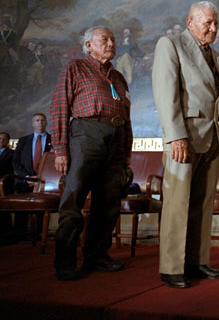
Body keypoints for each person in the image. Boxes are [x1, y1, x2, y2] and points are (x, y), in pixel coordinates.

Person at [152, 1, 219, 289]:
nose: (213, 27)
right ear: (190, 22)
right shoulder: (170, 45)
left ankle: (196, 262)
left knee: (202, 203)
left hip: (209, 137)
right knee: (177, 204)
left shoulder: (212, 54)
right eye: (208, 22)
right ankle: (172, 267)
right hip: (184, 137)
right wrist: (175, 135)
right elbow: (165, 91)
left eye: (216, 22)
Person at [50, 26, 132, 281]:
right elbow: (60, 108)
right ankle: (65, 261)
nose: (111, 43)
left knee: (108, 203)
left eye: (113, 39)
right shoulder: (75, 68)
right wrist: (61, 149)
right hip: (86, 134)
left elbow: (127, 116)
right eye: (104, 39)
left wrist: (126, 150)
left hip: (115, 139)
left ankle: (96, 255)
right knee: (74, 199)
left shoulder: (118, 77)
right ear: (88, 45)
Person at [12, 113, 52, 193]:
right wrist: (27, 177)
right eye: (37, 120)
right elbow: (15, 161)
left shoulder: (53, 140)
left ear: (46, 123)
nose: (40, 122)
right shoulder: (23, 140)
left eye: (42, 120)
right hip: (24, 183)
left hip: (48, 183)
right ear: (33, 124)